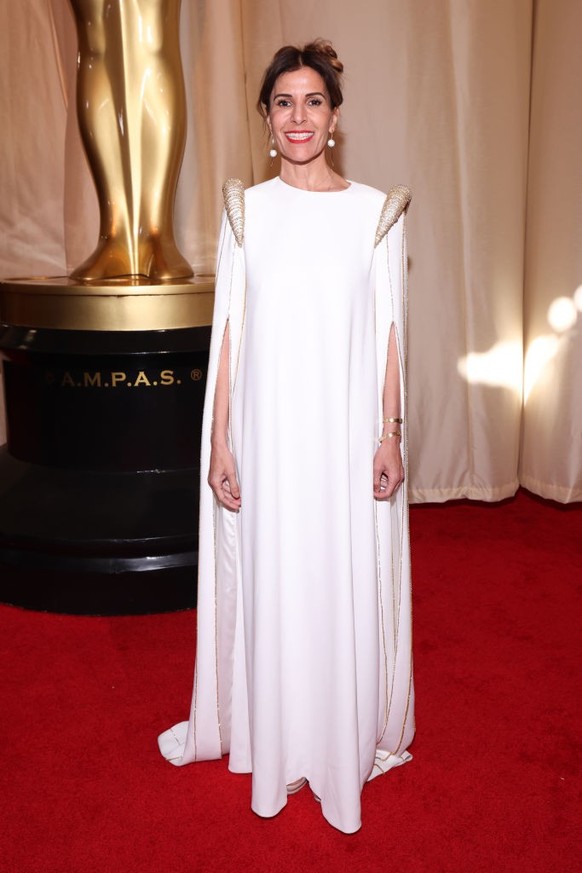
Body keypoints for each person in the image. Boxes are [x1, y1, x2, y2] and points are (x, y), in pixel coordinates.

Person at [159, 39, 414, 835]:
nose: (298, 116)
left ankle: (335, 736)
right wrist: (220, 440)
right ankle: (277, 735)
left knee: (332, 575)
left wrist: (390, 433)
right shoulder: (247, 209)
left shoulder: (376, 211)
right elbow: (229, 330)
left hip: (341, 441)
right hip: (268, 437)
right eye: (283, 102)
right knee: (275, 579)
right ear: (267, 120)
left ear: (333, 118)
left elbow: (389, 336)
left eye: (312, 102)